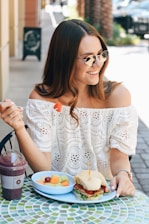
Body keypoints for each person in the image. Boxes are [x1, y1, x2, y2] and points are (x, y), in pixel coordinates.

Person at [0, 19, 138, 197]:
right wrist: (19, 127)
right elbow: (42, 167)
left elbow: (119, 158)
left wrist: (123, 174)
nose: (98, 63)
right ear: (64, 61)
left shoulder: (117, 97)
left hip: (104, 196)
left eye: (101, 54)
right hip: (55, 195)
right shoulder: (42, 99)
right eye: (88, 58)